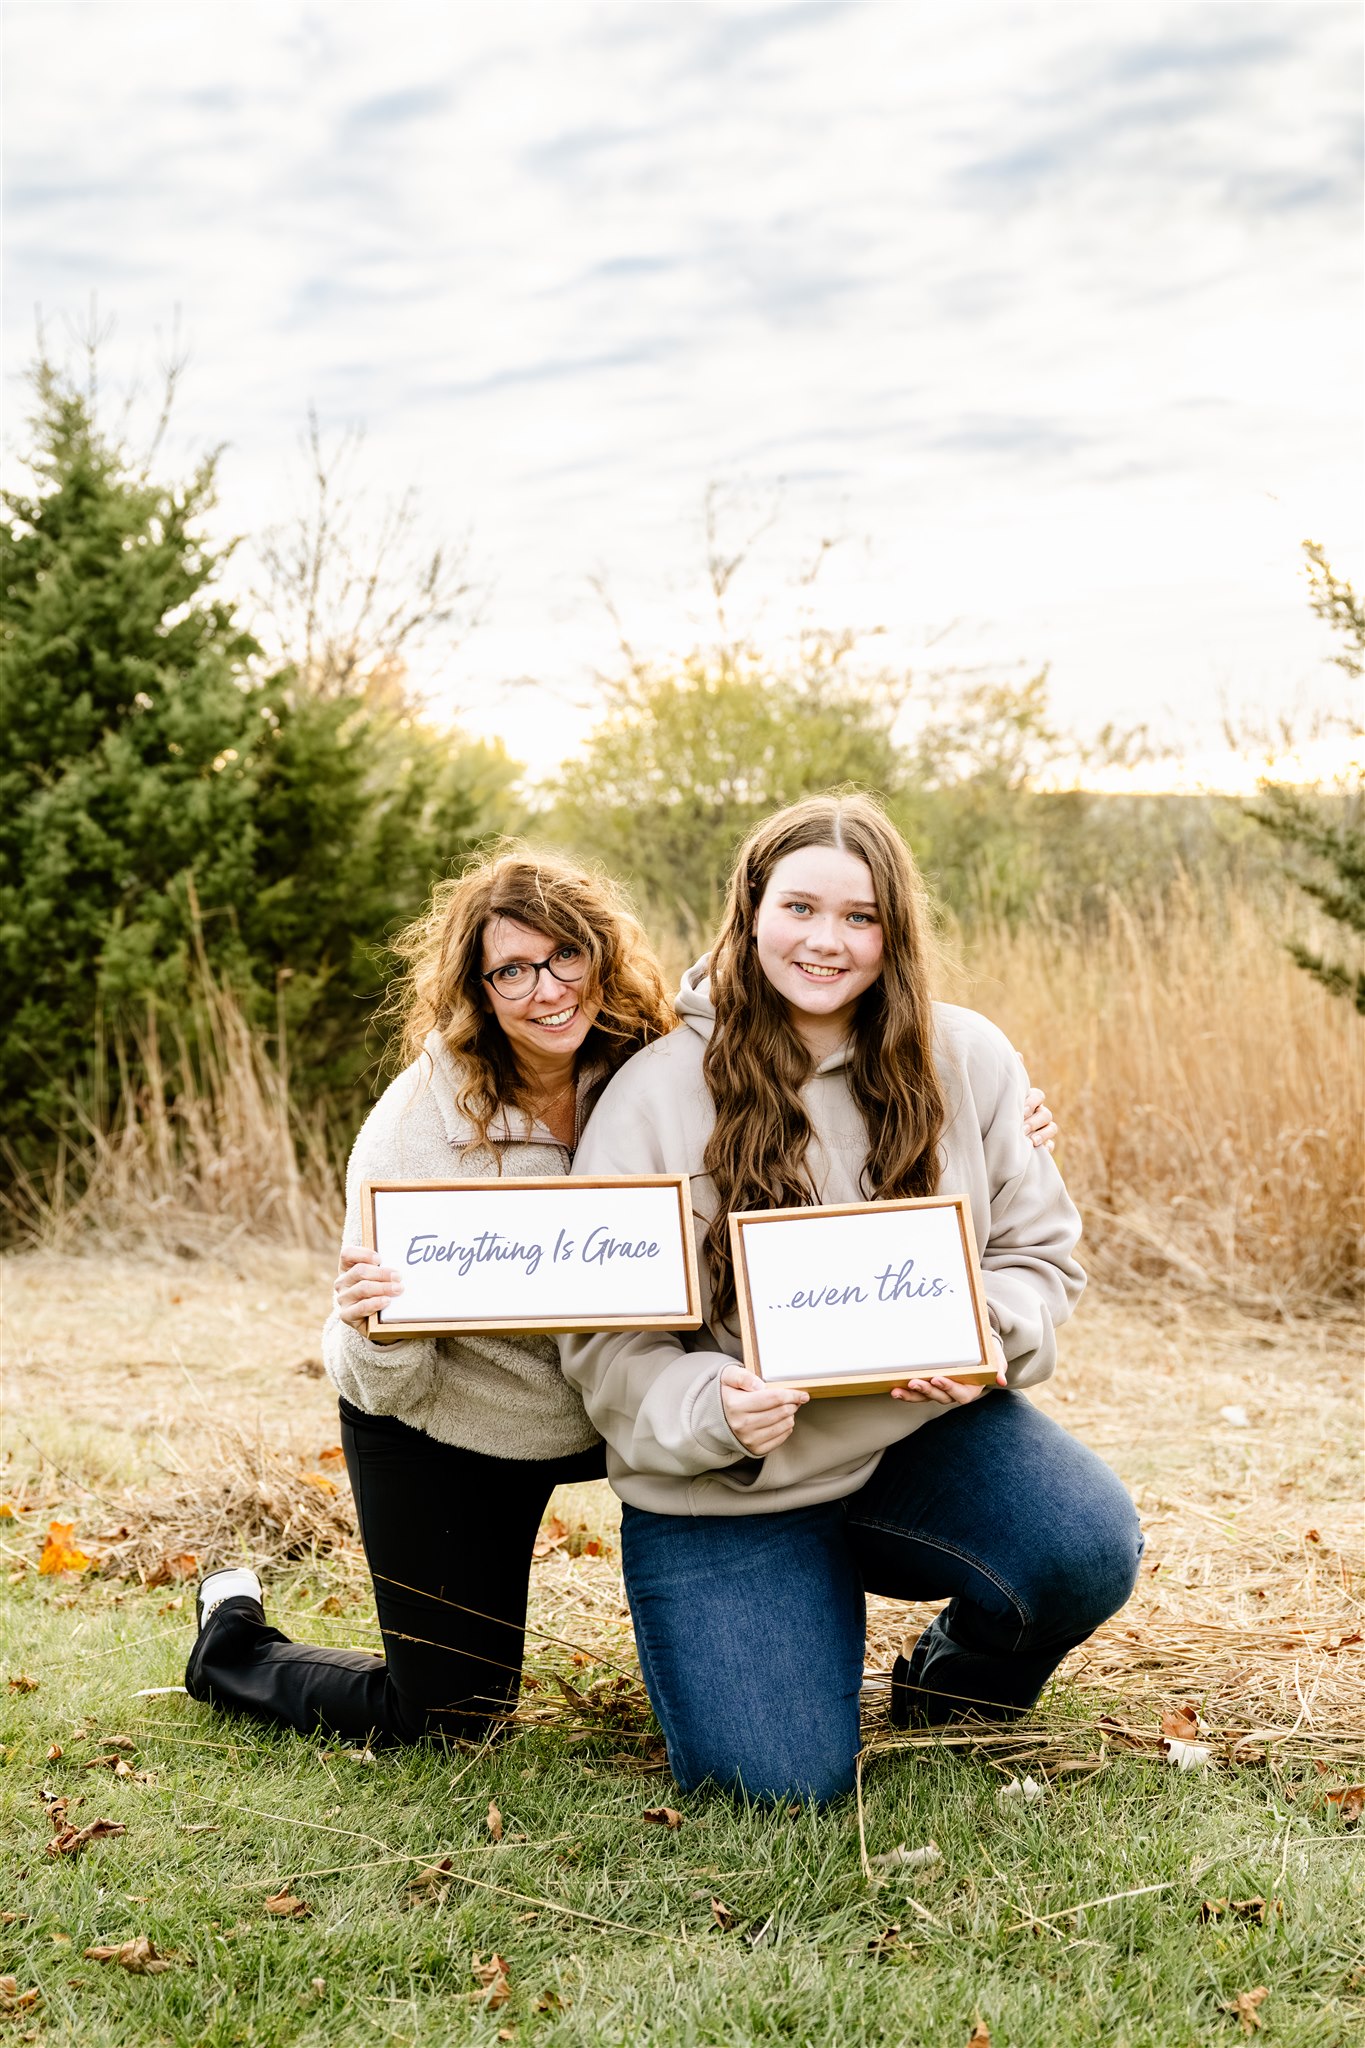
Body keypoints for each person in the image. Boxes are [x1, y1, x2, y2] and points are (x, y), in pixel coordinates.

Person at [184, 842, 1060, 1749]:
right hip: (470, 1425)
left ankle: (773, 1648)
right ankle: (232, 1645)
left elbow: (763, 1035)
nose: (547, 988)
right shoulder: (415, 1138)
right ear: (477, 988)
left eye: (566, 956)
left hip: (618, 1414)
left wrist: (1006, 1115)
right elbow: (375, 1379)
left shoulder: (653, 1063)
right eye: (511, 971)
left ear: (600, 957)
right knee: (450, 1715)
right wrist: (376, 1331)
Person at [561, 795, 1141, 1804]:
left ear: (894, 933)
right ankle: (776, 1647)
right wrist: (715, 1403)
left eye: (861, 916)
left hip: (914, 1436)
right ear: (748, 911)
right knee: (776, 1790)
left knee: (1086, 1541)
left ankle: (955, 1683)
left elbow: (1039, 1256)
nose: (827, 940)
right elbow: (607, 1339)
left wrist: (983, 1336)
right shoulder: (653, 1092)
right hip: (731, 1483)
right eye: (799, 907)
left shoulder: (968, 1059)